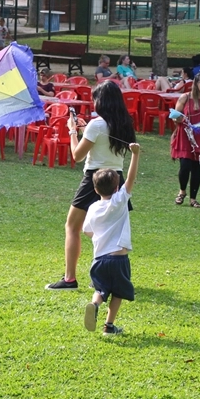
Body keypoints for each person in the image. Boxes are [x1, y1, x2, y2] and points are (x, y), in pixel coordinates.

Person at [46, 81, 137, 291]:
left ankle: (70, 279)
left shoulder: (97, 125)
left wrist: (72, 132)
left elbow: (77, 155)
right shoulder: (124, 123)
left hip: (94, 178)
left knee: (72, 227)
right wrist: (86, 129)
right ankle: (111, 277)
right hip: (117, 178)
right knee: (111, 231)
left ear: (101, 101)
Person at [81, 141, 141, 336]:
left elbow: (87, 231)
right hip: (118, 258)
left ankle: (94, 303)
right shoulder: (119, 201)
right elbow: (131, 179)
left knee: (101, 288)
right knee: (118, 292)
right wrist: (135, 155)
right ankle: (109, 326)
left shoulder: (92, 208)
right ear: (117, 187)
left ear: (96, 189)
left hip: (99, 259)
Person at [171, 73, 200, 208]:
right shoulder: (185, 97)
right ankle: (182, 191)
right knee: (185, 166)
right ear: (196, 83)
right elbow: (175, 117)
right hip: (186, 135)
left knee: (197, 168)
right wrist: (178, 119)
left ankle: (193, 198)